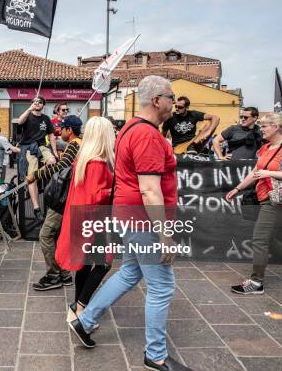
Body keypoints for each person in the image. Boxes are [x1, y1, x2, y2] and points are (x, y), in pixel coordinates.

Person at [69, 76, 192, 371]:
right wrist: (164, 235)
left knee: (129, 273)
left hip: (128, 216)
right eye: (171, 98)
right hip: (143, 220)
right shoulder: (148, 135)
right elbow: (150, 189)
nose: (174, 103)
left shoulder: (129, 129)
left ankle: (84, 321)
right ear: (157, 100)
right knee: (162, 287)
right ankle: (156, 355)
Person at [226, 112, 282, 294]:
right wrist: (238, 188)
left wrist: (271, 174)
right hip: (266, 198)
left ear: (276, 127)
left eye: (265, 125)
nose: (261, 129)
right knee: (268, 239)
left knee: (259, 240)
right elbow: (255, 172)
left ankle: (256, 282)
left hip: (279, 201)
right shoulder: (266, 148)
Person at [55, 116, 114, 321]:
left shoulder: (83, 158)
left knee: (85, 264)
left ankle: (76, 309)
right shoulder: (98, 162)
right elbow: (97, 196)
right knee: (103, 264)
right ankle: (79, 306)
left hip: (80, 218)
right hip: (94, 220)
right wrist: (114, 188)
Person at [28, 115, 83, 291]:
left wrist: (35, 175)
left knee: (45, 236)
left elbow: (62, 167)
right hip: (69, 198)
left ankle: (53, 276)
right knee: (57, 236)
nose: (59, 132)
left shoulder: (75, 145)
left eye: (63, 128)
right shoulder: (77, 145)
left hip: (63, 199)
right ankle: (65, 274)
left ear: (70, 130)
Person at [16, 96, 57, 221]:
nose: (37, 103)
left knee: (52, 161)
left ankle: (35, 175)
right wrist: (29, 109)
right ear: (32, 103)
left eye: (40, 102)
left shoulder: (46, 119)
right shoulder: (28, 115)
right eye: (35, 101)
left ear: (43, 105)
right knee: (31, 177)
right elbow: (19, 122)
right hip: (29, 147)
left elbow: (51, 135)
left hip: (42, 147)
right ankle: (36, 208)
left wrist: (54, 151)